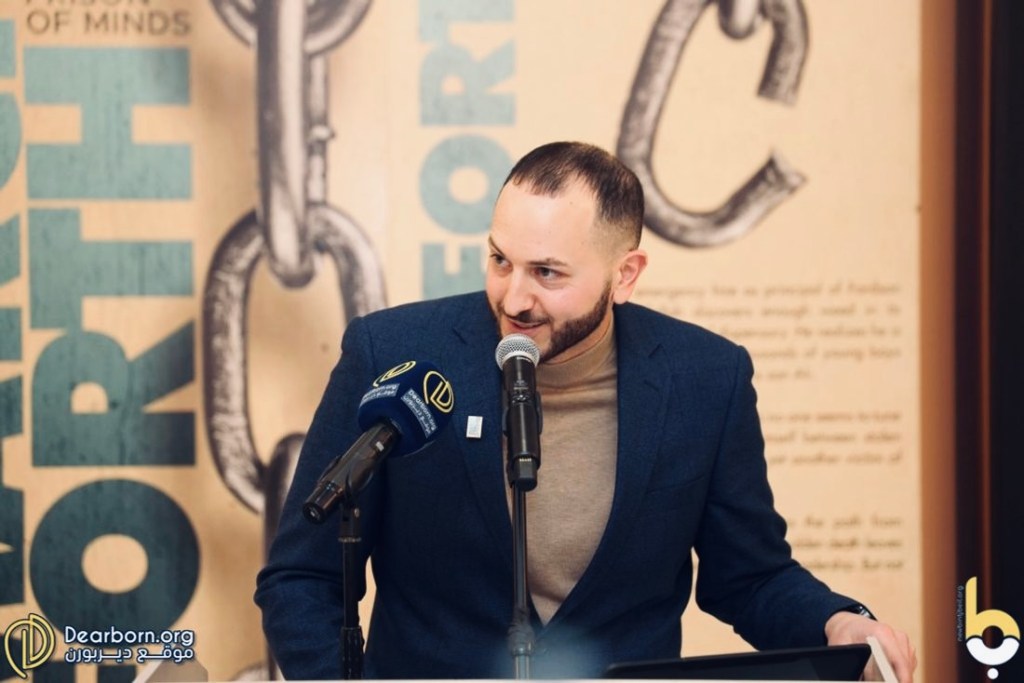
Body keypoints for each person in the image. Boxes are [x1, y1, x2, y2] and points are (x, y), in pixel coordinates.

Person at [255, 141, 917, 680]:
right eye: (500, 260)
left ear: (625, 274)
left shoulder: (706, 379)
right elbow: (301, 576)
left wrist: (839, 623)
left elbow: (750, 575)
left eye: (547, 272)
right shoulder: (394, 353)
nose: (514, 297)